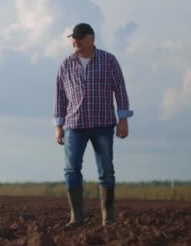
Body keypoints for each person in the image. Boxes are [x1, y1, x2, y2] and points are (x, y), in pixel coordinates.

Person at [53, 23, 133, 228]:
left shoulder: (109, 60)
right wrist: (58, 125)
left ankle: (108, 217)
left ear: (91, 39)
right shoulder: (66, 64)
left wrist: (123, 119)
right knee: (71, 170)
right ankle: (76, 217)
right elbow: (60, 97)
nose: (75, 41)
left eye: (79, 37)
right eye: (73, 38)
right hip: (74, 125)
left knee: (106, 170)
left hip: (103, 124)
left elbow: (120, 90)